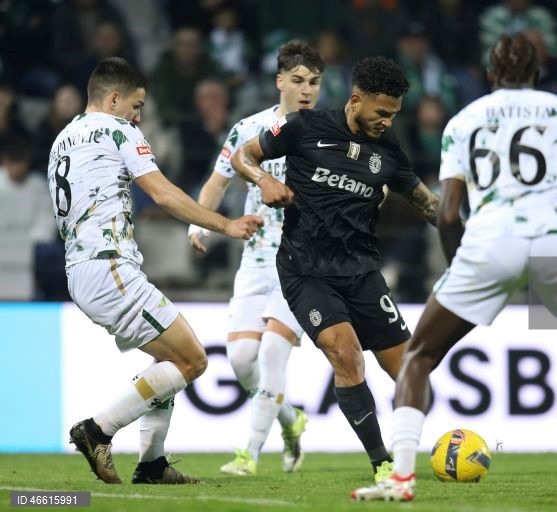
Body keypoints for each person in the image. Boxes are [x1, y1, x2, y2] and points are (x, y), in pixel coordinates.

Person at [351, 34, 557, 502]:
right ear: (538, 73)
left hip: (492, 244)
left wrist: (463, 273)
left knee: (419, 358)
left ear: (491, 74)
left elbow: (448, 213)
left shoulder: (464, 120)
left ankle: (402, 480)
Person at [50, 57, 261, 485]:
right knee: (193, 360)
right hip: (109, 266)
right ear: (113, 99)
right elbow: (163, 195)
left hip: (80, 268)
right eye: (135, 104)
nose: (139, 115)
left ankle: (151, 463)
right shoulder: (118, 129)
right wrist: (225, 225)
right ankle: (96, 430)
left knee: (170, 359)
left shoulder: (63, 138)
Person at [231, 56, 440, 481]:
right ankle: (383, 463)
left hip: (362, 272)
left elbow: (426, 203)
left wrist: (469, 235)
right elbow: (242, 156)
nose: (387, 121)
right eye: (381, 112)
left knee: (410, 374)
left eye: (394, 114)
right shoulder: (304, 127)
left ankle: (408, 452)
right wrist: (264, 180)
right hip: (306, 270)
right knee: (346, 355)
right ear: (356, 99)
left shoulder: (389, 151)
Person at [188, 40, 323, 476]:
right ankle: (290, 420)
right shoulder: (249, 129)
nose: (307, 90)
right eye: (299, 81)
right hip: (255, 259)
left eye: (315, 82)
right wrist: (200, 222)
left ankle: (248, 454)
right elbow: (217, 181)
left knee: (270, 355)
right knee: (243, 361)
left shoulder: (328, 131)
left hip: (302, 261)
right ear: (280, 81)